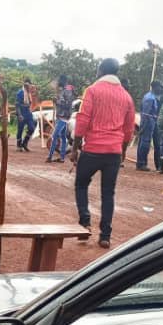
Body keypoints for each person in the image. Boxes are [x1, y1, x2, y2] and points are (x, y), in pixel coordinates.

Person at [71, 58, 136, 249]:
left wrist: (75, 147)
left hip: (92, 149)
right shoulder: (126, 97)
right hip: (114, 151)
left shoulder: (92, 90)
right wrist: (123, 151)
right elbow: (129, 128)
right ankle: (105, 235)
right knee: (108, 193)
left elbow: (83, 119)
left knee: (81, 184)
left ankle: (84, 222)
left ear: (100, 70)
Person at [136, 79, 163, 171]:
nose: (162, 90)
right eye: (161, 87)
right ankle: (141, 164)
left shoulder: (153, 97)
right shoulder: (149, 98)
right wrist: (143, 127)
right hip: (148, 122)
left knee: (157, 144)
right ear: (155, 87)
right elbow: (145, 114)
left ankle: (159, 165)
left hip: (154, 122)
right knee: (145, 143)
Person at [47, 75, 75, 162]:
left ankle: (50, 157)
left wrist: (57, 101)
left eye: (59, 81)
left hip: (63, 117)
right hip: (62, 116)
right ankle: (62, 158)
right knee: (62, 137)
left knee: (55, 136)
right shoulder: (66, 90)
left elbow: (66, 104)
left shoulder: (67, 91)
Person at [15, 78, 36, 151]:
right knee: (20, 130)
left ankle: (24, 143)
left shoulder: (30, 93)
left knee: (32, 128)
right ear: (25, 85)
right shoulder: (20, 93)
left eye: (29, 85)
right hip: (21, 112)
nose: (28, 87)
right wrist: (20, 115)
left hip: (28, 112)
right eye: (27, 85)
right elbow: (17, 105)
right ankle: (18, 146)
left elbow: (33, 102)